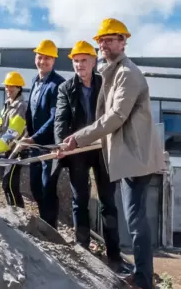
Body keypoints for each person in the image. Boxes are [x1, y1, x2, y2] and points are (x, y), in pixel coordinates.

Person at [61, 18, 166, 289]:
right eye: (101, 41)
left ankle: (142, 280)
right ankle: (141, 275)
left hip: (136, 158)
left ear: (123, 42)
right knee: (134, 218)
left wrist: (79, 137)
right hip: (129, 156)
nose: (105, 44)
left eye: (110, 39)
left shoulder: (127, 74)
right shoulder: (115, 72)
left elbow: (116, 116)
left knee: (135, 220)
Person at [54, 40, 124, 268]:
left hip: (103, 149)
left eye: (84, 60)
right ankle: (82, 250)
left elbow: (114, 114)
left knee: (107, 201)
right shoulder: (65, 88)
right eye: (75, 61)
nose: (79, 65)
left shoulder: (105, 83)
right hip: (78, 150)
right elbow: (61, 119)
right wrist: (61, 144)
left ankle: (114, 256)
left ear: (94, 61)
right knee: (79, 199)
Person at [21, 39, 65, 228]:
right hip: (35, 146)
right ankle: (44, 223)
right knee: (36, 187)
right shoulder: (35, 81)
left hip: (49, 145)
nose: (43, 61)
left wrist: (34, 138)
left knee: (47, 187)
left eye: (47, 58)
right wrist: (27, 135)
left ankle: (51, 228)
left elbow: (55, 117)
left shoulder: (58, 84)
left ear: (53, 61)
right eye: (40, 57)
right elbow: (31, 112)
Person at [0, 71, 28, 208]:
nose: (8, 89)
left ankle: (19, 214)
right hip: (8, 150)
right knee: (6, 184)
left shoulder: (21, 107)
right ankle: (12, 211)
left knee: (10, 185)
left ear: (19, 88)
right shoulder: (8, 104)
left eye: (12, 86)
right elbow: (4, 123)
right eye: (7, 86)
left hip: (16, 151)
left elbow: (14, 132)